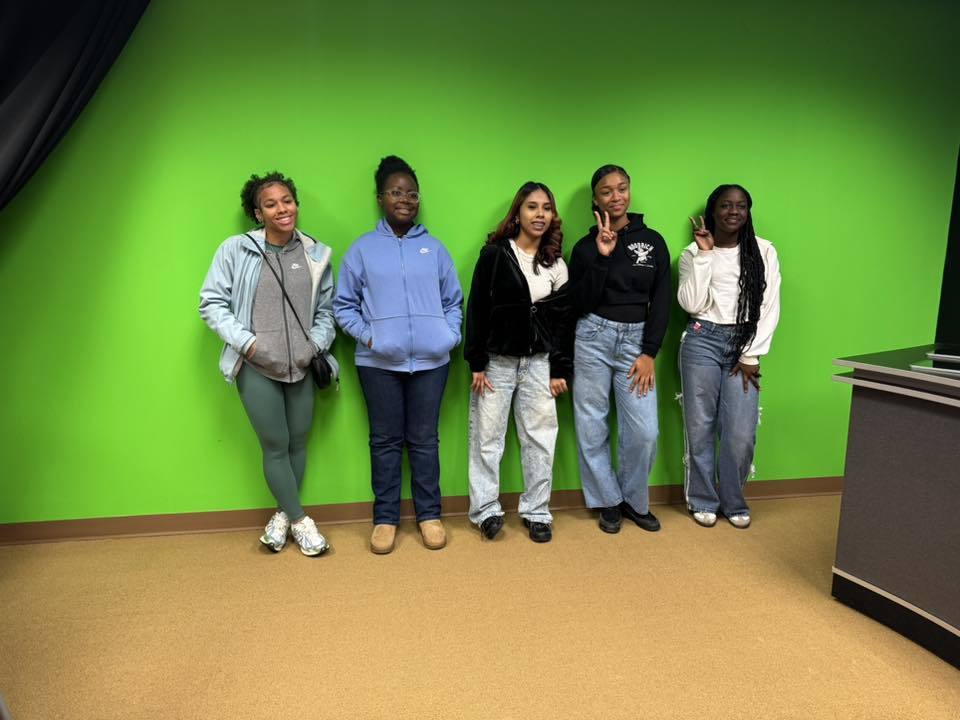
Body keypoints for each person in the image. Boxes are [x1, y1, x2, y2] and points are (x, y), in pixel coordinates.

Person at [199, 171, 336, 556]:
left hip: (302, 367)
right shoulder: (235, 250)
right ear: (257, 213)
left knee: (297, 443)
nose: (282, 209)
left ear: (296, 203)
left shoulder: (315, 253)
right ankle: (301, 521)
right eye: (271, 204)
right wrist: (251, 345)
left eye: (287, 200)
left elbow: (326, 312)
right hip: (257, 366)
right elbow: (210, 303)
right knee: (275, 445)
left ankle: (282, 515)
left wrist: (315, 346)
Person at [334, 156, 463, 555]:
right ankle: (385, 519)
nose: (404, 199)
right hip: (379, 365)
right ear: (380, 198)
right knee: (385, 441)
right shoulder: (362, 249)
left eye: (411, 193)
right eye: (395, 192)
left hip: (431, 363)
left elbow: (453, 301)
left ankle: (429, 515)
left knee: (424, 440)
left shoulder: (435, 249)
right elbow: (343, 306)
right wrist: (370, 339)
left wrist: (448, 336)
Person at [464, 181, 572, 543]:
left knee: (541, 439)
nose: (539, 214)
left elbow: (561, 322)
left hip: (539, 364)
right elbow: (477, 308)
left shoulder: (556, 263)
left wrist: (560, 368)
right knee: (487, 439)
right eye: (531, 207)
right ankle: (485, 511)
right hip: (496, 363)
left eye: (546, 207)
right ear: (518, 213)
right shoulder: (495, 254)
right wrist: (476, 361)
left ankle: (537, 511)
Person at [569, 164, 671, 534]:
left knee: (644, 430)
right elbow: (578, 302)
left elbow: (661, 299)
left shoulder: (654, 242)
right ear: (595, 200)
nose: (616, 196)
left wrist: (649, 352)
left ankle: (633, 499)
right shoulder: (582, 249)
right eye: (607, 191)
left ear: (630, 191)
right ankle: (607, 501)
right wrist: (603, 256)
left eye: (622, 188)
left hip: (636, 342)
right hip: (592, 337)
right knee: (591, 424)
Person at [678, 184, 781, 529]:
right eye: (725, 205)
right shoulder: (692, 253)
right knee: (700, 426)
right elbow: (691, 304)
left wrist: (751, 354)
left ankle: (734, 500)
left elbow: (769, 306)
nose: (733, 211)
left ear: (748, 211)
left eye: (741, 206)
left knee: (740, 431)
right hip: (701, 339)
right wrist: (706, 256)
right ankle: (703, 499)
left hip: (744, 343)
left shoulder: (764, 251)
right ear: (713, 210)